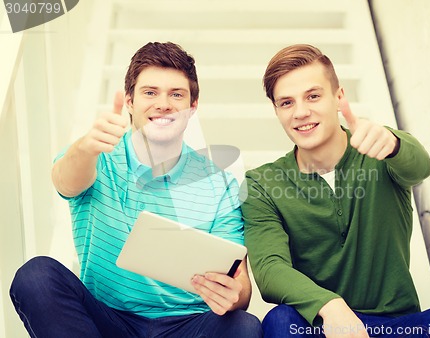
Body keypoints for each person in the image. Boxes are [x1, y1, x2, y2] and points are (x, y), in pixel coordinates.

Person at [10, 41, 262, 338]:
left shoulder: (220, 184)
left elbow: (241, 288)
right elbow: (64, 181)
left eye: (176, 94)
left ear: (193, 106)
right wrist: (86, 148)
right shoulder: (95, 154)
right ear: (129, 101)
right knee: (36, 276)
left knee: (244, 326)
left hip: (187, 324)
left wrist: (235, 294)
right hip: (107, 320)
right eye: (150, 92)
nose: (163, 103)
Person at [240, 44, 430, 338]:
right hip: (323, 326)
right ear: (276, 110)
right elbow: (269, 269)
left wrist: (393, 144)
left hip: (398, 326)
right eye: (286, 103)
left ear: (338, 97)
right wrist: (329, 305)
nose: (300, 112)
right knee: (280, 320)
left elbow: (419, 167)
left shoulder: (381, 151)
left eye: (313, 96)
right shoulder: (262, 183)